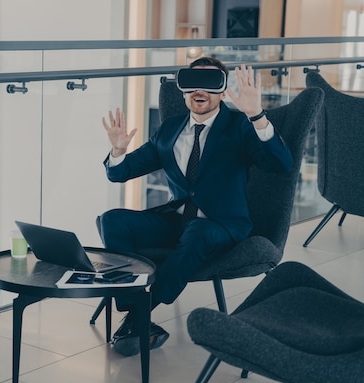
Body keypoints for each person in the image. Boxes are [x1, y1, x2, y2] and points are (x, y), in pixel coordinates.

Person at [99, 56, 293, 356]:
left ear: (222, 90)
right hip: (176, 221)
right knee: (111, 220)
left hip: (222, 225)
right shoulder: (169, 130)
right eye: (192, 84)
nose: (199, 92)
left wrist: (256, 115)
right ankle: (130, 301)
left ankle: (139, 314)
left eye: (210, 84)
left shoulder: (239, 126)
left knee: (199, 232)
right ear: (183, 89)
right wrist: (118, 150)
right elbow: (118, 173)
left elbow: (281, 164)